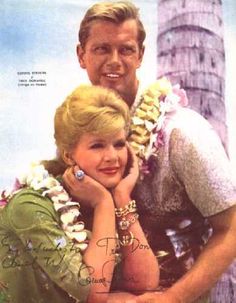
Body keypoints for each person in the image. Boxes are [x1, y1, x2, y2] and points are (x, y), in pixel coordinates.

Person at [75, 1, 236, 302]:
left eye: (125, 50)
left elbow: (231, 228)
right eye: (101, 49)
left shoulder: (183, 133)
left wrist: (173, 298)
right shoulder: (81, 133)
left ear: (140, 56)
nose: (114, 61)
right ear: (81, 55)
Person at [0, 84, 158, 303]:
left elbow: (145, 282)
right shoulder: (29, 206)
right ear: (68, 155)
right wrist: (103, 204)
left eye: (119, 144)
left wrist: (121, 197)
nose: (112, 156)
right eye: (97, 145)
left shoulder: (109, 198)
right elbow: (92, 293)